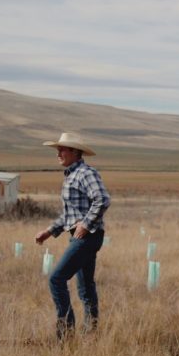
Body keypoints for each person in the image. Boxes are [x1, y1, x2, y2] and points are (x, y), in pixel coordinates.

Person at [35, 132, 111, 340]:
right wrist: (49, 231)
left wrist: (86, 225)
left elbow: (102, 199)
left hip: (88, 237)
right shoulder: (71, 175)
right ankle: (91, 332)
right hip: (82, 235)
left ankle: (65, 333)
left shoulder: (85, 173)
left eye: (62, 149)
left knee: (56, 279)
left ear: (75, 152)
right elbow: (71, 214)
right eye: (57, 149)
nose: (58, 153)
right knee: (85, 285)